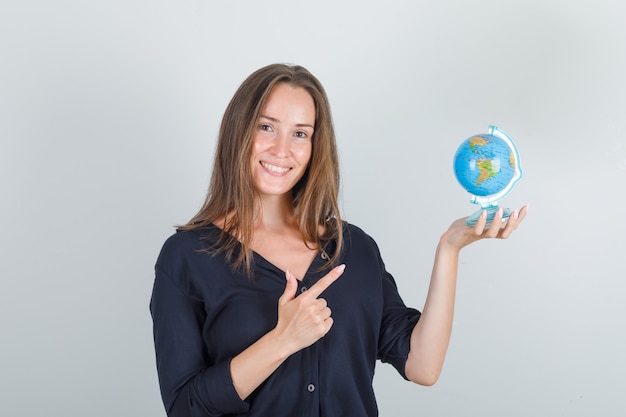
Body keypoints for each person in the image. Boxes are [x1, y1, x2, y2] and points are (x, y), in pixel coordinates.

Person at [149, 63, 528, 417]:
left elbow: (423, 366)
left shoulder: (355, 248)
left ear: (316, 146)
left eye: (300, 133)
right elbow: (185, 406)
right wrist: (282, 341)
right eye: (267, 127)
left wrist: (450, 247)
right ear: (239, 131)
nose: (283, 149)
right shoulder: (187, 257)